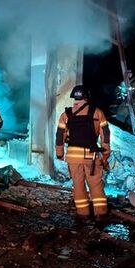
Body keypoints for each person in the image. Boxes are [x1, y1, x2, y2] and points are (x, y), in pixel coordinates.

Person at [55, 85, 111, 217]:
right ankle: (100, 214)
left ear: (74, 97)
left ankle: (83, 214)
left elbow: (60, 136)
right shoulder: (98, 113)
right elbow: (105, 135)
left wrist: (60, 154)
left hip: (73, 157)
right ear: (87, 97)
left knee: (78, 185)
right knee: (95, 185)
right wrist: (105, 154)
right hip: (91, 156)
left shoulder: (65, 115)